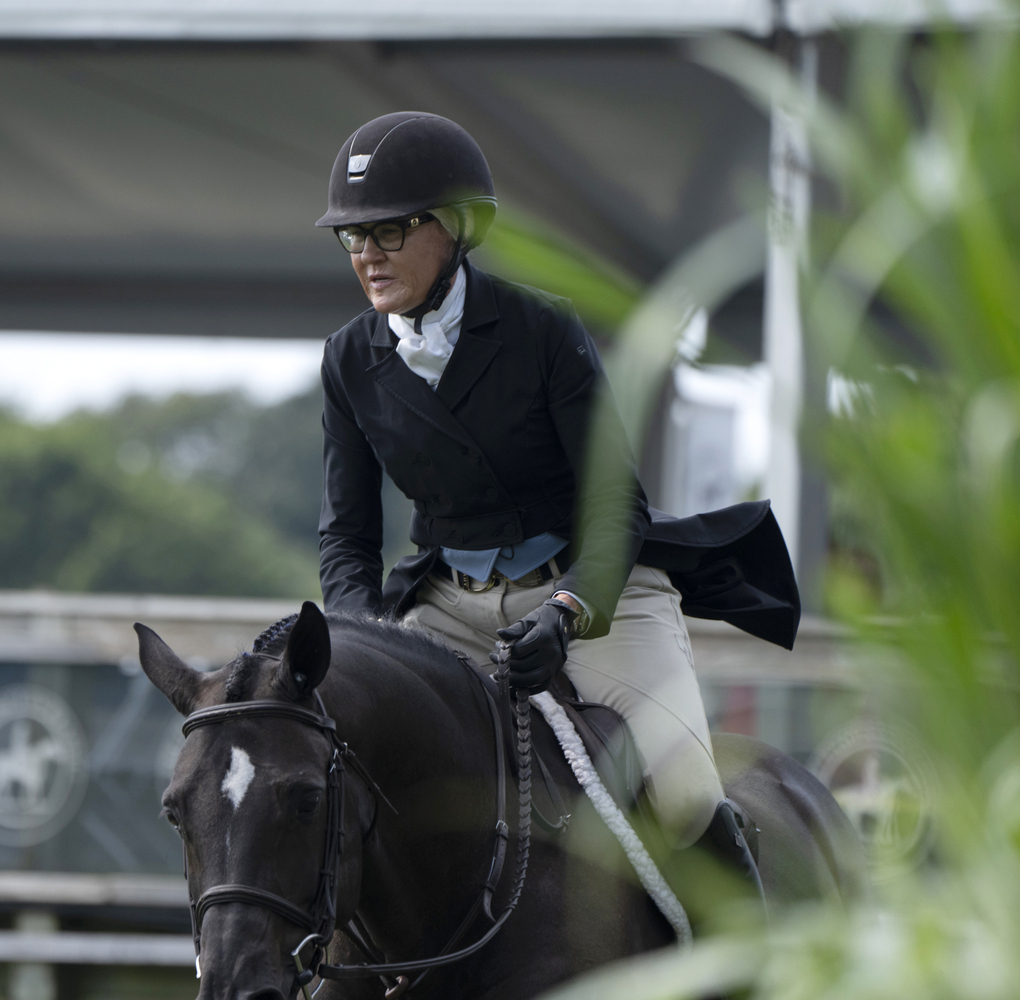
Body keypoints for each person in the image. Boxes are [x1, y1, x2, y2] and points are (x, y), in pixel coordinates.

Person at [316, 111, 798, 913]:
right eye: (352, 236)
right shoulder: (346, 360)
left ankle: (746, 959)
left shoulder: (541, 328)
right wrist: (362, 645)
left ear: (459, 227)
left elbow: (617, 505)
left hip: (592, 592)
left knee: (681, 797)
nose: (367, 253)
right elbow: (347, 536)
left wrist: (568, 613)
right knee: (356, 765)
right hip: (446, 605)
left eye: (391, 230)